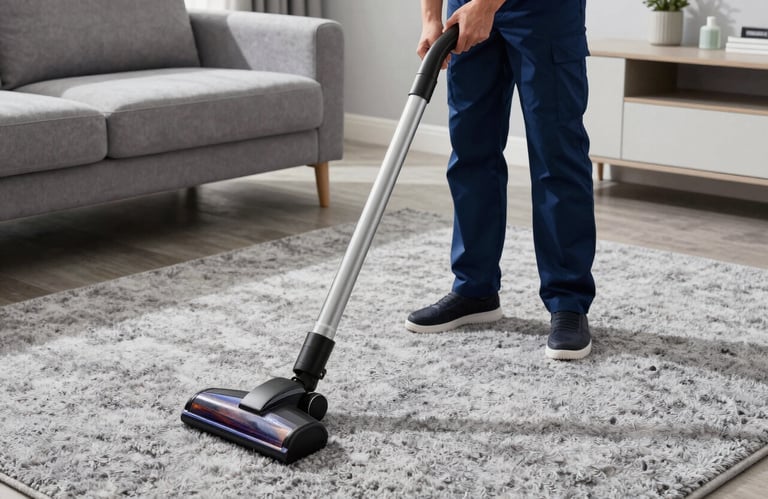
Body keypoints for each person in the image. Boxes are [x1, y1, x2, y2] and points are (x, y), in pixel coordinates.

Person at [405, 0, 597, 361]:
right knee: (470, 151)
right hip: (466, 9)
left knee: (557, 155)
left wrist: (487, 4)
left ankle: (568, 302)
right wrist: (431, 18)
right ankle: (474, 290)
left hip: (544, 12)